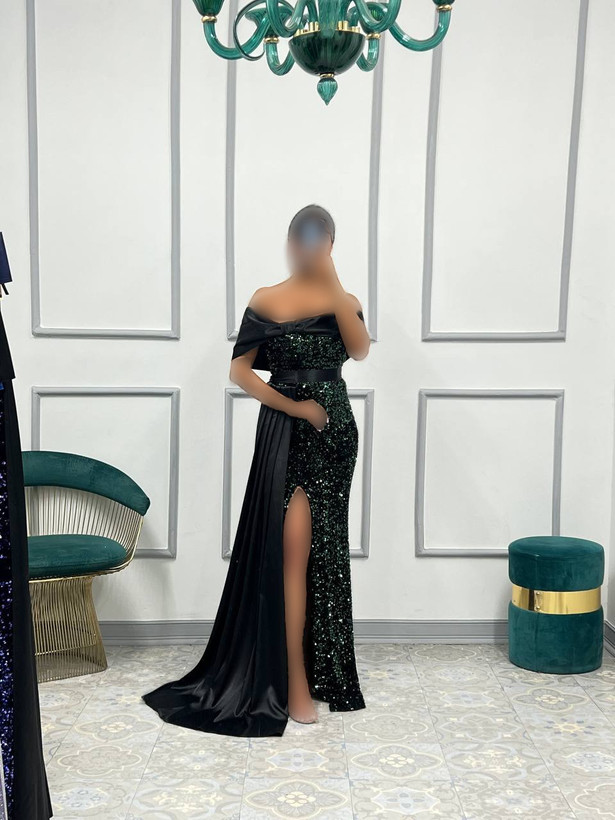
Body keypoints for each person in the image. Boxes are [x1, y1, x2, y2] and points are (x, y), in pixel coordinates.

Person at [143, 204, 370, 736]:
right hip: (287, 435)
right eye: (300, 240)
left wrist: (334, 284)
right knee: (291, 553)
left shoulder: (346, 301)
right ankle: (293, 681)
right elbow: (240, 372)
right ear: (289, 243)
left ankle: (322, 670)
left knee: (327, 554)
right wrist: (297, 408)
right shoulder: (266, 299)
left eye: (318, 241)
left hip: (336, 437)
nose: (307, 249)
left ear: (330, 245)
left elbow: (359, 351)